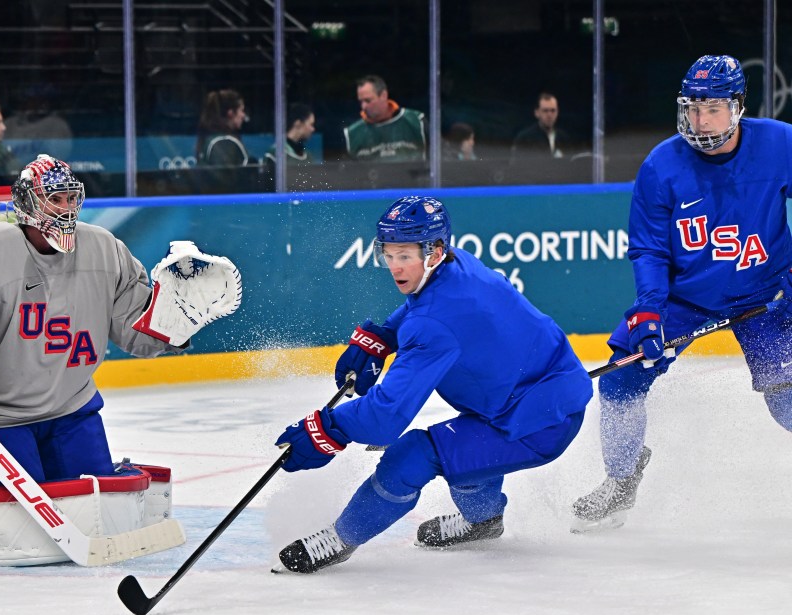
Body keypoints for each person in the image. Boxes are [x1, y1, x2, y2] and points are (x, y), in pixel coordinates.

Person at [273, 196, 593, 573]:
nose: (395, 267)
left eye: (405, 256)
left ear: (435, 251)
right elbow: (422, 306)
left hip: (537, 421)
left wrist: (326, 429)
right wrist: (384, 336)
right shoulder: (456, 263)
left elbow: (385, 418)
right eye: (388, 255)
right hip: (529, 394)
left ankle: (340, 539)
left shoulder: (434, 327)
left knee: (413, 456)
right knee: (463, 453)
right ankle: (484, 522)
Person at [0, 154, 241, 486]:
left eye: (71, 198)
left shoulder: (105, 248)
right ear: (28, 204)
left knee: (98, 512)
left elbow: (135, 331)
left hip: (71, 411)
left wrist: (174, 322)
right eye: (53, 199)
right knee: (12, 526)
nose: (66, 209)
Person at [571, 55, 792, 531]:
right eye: (692, 108)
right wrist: (649, 312)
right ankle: (621, 480)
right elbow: (648, 248)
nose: (699, 121)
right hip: (685, 301)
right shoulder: (662, 165)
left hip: (769, 296)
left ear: (738, 106)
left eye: (711, 109)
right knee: (618, 382)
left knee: (787, 401)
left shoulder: (779, 143)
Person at [343, 75, 427, 162]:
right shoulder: (352, 134)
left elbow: (440, 157)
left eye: (368, 101)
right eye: (361, 101)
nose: (363, 106)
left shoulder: (417, 121)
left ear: (383, 95)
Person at [195, 89, 254, 167]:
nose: (243, 115)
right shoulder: (224, 143)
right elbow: (224, 178)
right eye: (241, 110)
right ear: (231, 113)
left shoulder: (212, 138)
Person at [511, 92, 572, 160]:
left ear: (557, 112)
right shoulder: (525, 138)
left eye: (553, 110)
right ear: (537, 113)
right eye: (545, 111)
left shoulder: (564, 138)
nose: (549, 115)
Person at [263, 102, 316, 170]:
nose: (313, 129)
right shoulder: (275, 154)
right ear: (298, 124)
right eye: (311, 124)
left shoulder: (308, 157)